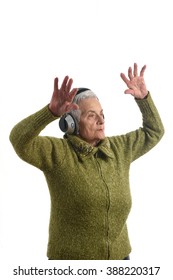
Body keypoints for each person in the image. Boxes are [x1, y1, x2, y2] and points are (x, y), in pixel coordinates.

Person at [9, 63, 164, 260]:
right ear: (71, 124)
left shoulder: (119, 149)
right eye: (92, 116)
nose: (101, 120)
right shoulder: (57, 152)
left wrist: (143, 99)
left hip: (120, 261)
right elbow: (19, 139)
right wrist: (50, 112)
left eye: (102, 114)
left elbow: (154, 131)